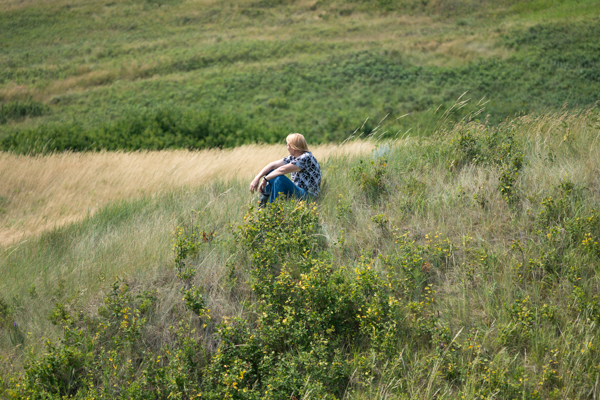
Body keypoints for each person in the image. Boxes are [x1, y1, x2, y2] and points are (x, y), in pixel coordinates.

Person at [249, 133, 321, 206]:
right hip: (299, 191)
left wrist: (265, 179)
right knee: (271, 172)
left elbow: (282, 170)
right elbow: (272, 165)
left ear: (292, 147)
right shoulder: (293, 157)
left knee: (280, 179)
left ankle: (274, 212)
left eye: (287, 145)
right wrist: (257, 178)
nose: (287, 147)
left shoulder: (306, 157)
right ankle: (262, 207)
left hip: (308, 196)